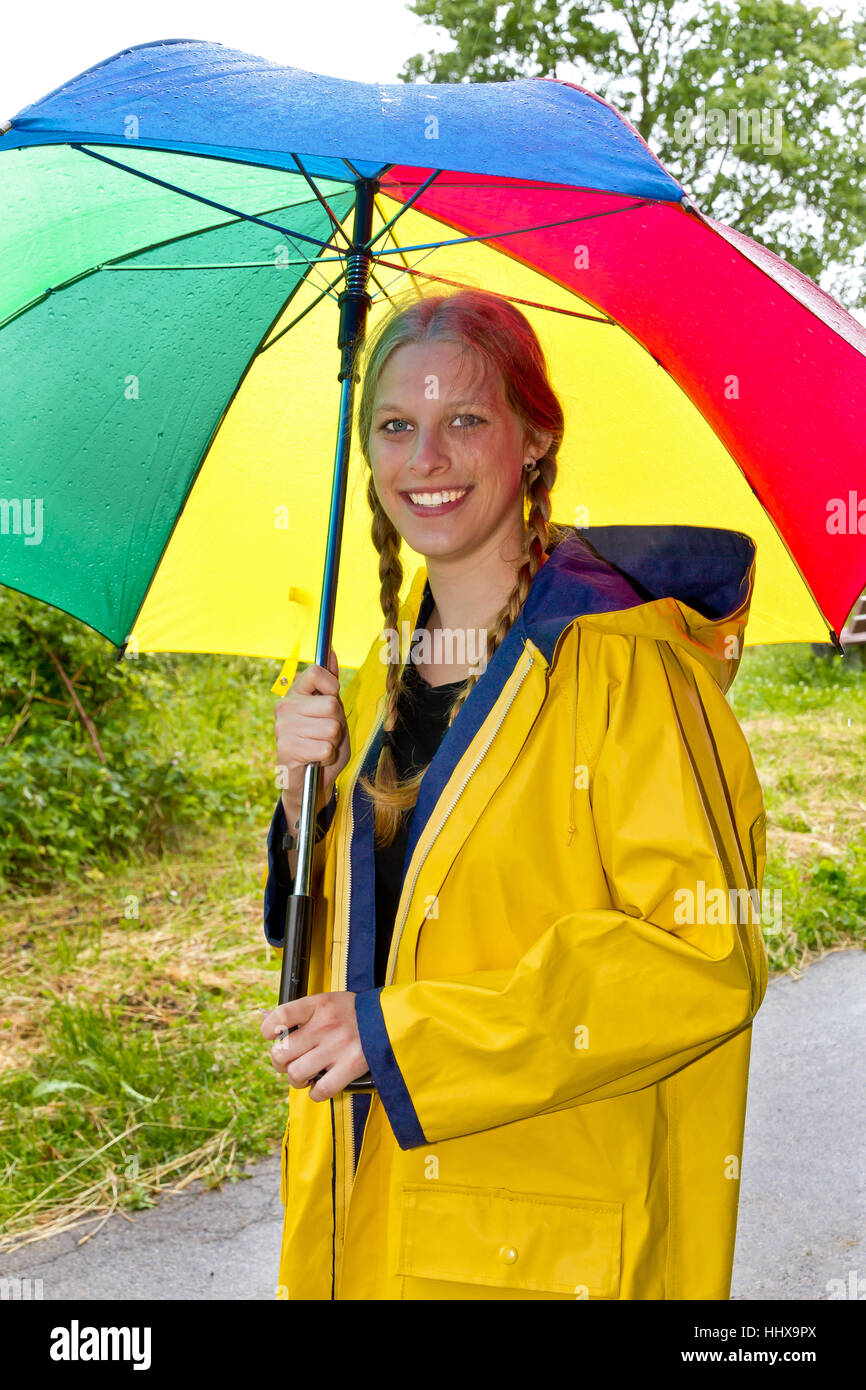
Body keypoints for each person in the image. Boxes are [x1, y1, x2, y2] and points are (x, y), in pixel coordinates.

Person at [260, 288, 769, 1301]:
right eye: (396, 426)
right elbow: (358, 940)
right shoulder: (376, 676)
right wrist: (297, 804)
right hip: (358, 1228)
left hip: (538, 1246)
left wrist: (406, 1036)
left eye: (465, 420)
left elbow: (703, 952)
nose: (426, 459)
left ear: (534, 438)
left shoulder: (626, 668)